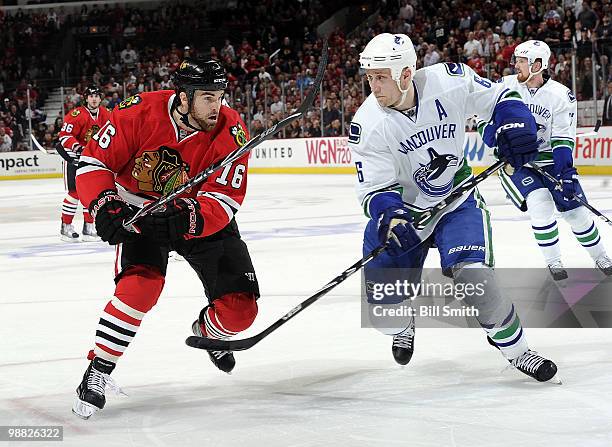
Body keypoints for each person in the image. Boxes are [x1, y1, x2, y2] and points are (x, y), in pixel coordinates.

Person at [349, 33, 559, 383]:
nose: (373, 86)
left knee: (475, 276)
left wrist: (515, 121)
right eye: (369, 77)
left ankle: (518, 352)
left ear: (405, 73)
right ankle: (403, 323)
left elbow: (500, 98)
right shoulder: (368, 123)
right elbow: (374, 189)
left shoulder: (450, 79)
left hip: (456, 202)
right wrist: (390, 214)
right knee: (384, 317)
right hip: (406, 217)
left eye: (381, 76)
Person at [72, 59, 260, 419]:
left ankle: (209, 332)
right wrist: (105, 204)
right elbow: (94, 163)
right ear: (183, 97)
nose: (216, 106)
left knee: (240, 310)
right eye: (207, 97)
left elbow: (225, 198)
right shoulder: (137, 112)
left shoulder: (231, 130)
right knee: (139, 289)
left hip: (196, 214)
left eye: (220, 96)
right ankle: (99, 370)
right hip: (140, 211)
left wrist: (190, 216)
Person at [484, 40, 612, 280]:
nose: (515, 66)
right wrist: (491, 134)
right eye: (517, 61)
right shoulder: (503, 85)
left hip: (550, 160)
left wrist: (565, 172)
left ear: (538, 65)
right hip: (518, 162)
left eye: (521, 61)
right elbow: (482, 114)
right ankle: (554, 261)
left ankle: (601, 257)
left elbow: (562, 139)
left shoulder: (561, 95)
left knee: (576, 213)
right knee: (540, 203)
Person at [57, 85, 111, 241]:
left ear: (100, 98)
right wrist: (77, 147)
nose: (94, 99)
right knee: (74, 193)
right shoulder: (76, 115)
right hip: (74, 157)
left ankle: (89, 227)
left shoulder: (106, 114)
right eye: (90, 96)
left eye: (96, 96)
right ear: (86, 98)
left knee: (91, 193)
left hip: (93, 159)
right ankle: (65, 226)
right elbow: (64, 135)